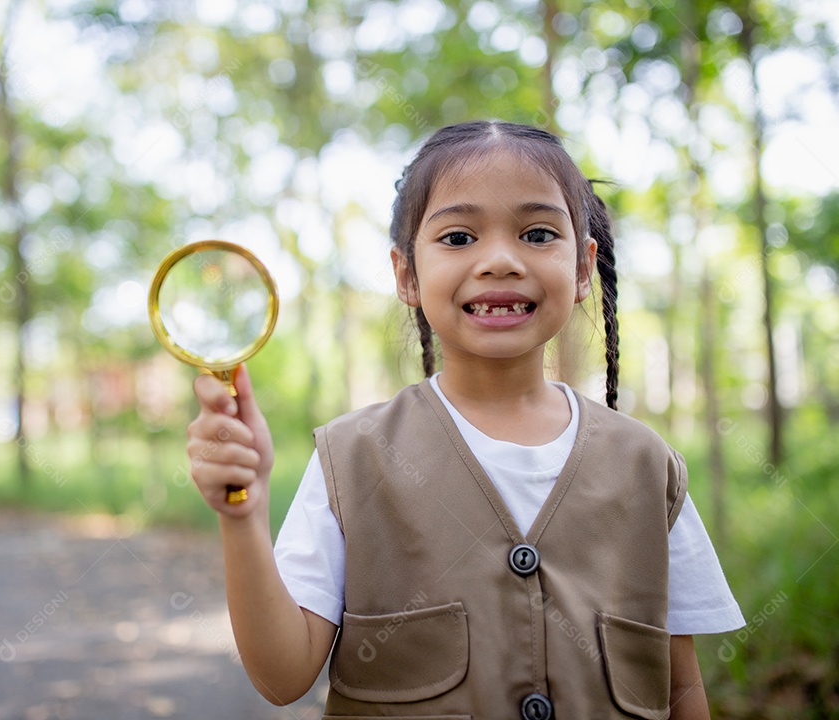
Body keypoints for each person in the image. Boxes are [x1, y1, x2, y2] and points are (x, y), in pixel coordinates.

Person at [185, 120, 744, 719]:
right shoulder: (351, 459)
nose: (499, 260)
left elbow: (680, 687)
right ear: (407, 275)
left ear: (584, 269)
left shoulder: (647, 465)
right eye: (457, 237)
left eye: (536, 233)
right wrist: (242, 515)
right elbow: (283, 676)